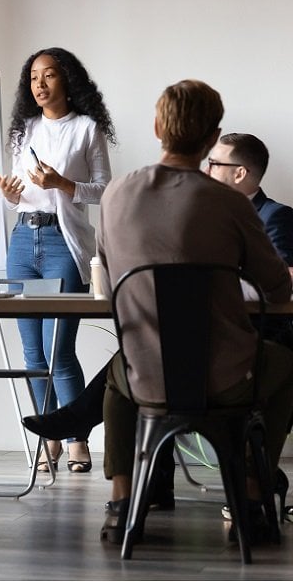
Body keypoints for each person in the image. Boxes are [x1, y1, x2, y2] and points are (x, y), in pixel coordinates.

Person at [23, 131, 293, 510]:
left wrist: (215, 289)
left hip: (237, 345)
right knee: (146, 352)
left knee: (133, 365)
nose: (207, 169)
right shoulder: (202, 211)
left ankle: (122, 488)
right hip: (193, 345)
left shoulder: (273, 216)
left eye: (216, 163)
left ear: (239, 174)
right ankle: (171, 487)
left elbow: (282, 283)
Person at [97, 79, 293, 545]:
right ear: (211, 137)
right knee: (287, 366)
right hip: (226, 378)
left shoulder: (115, 195)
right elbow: (276, 286)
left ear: (157, 126)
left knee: (116, 374)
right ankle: (250, 496)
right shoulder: (228, 203)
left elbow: (108, 281)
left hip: (146, 376)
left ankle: (122, 502)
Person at [0, 47, 115, 473]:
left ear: (67, 80)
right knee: (32, 354)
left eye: (48, 76)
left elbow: (104, 189)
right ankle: (51, 438)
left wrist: (63, 182)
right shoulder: (22, 130)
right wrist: (9, 196)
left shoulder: (86, 129)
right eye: (32, 78)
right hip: (22, 241)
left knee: (58, 350)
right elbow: (19, 194)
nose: (39, 84)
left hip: (64, 243)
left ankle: (76, 437)